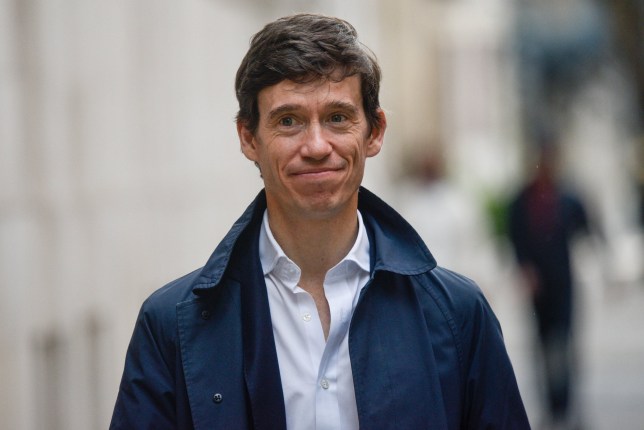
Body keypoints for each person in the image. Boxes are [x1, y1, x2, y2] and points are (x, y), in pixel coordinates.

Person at [110, 13, 530, 429]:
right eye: (288, 120)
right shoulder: (171, 326)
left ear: (375, 132)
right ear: (248, 138)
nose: (315, 146)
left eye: (337, 118)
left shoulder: (458, 314)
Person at [508, 136, 589, 429]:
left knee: (564, 347)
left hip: (563, 285)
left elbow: (586, 230)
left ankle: (568, 406)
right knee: (542, 349)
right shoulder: (522, 200)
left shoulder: (566, 197)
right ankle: (551, 407)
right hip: (538, 290)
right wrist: (524, 270)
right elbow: (515, 240)